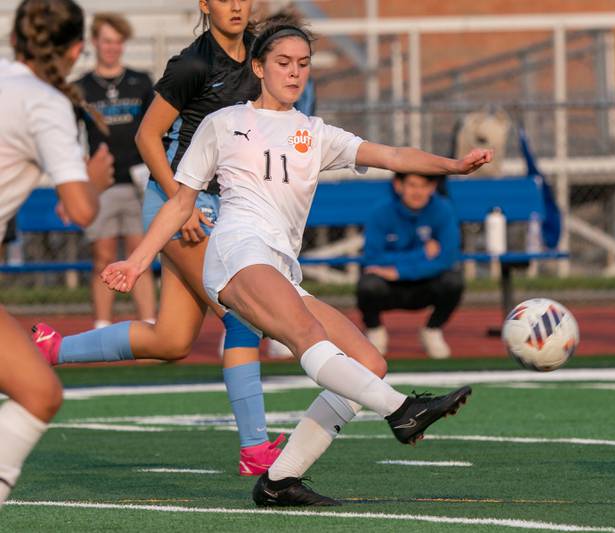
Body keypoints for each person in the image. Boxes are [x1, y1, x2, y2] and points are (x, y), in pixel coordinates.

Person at [101, 17, 487, 506]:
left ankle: (281, 480)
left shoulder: (314, 132)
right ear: (258, 67)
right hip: (236, 252)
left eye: (303, 64)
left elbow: (391, 154)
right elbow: (180, 202)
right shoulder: (224, 124)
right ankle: (404, 411)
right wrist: (136, 262)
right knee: (308, 336)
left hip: (279, 266)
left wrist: (452, 165)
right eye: (283, 63)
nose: (294, 72)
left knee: (370, 361)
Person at [32, 0, 284, 477]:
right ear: (204, 5)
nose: (236, 4)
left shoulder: (259, 54)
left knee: (171, 341)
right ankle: (255, 449)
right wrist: (180, 202)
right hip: (184, 206)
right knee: (244, 316)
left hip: (223, 208)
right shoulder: (192, 63)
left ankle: (51, 349)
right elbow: (150, 137)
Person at [0, 0, 113, 506]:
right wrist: (93, 179)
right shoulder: (45, 103)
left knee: (39, 392)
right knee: (39, 394)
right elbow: (81, 210)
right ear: (76, 50)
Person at [76, 12, 157, 330]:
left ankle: (150, 324)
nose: (112, 48)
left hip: (139, 182)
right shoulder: (81, 88)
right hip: (103, 185)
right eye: (106, 41)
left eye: (117, 42)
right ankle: (102, 325)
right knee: (104, 256)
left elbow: (155, 128)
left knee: (140, 257)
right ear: (95, 42)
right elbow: (70, 140)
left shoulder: (141, 81)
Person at [358, 172, 464, 359]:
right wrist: (422, 254)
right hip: (389, 287)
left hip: (426, 283)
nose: (418, 192)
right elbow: (373, 258)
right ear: (398, 185)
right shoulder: (380, 211)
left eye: (424, 186)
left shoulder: (444, 210)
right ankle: (375, 331)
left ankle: (432, 330)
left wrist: (400, 271)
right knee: (368, 284)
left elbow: (447, 257)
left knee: (454, 281)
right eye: (412, 185)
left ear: (432, 188)